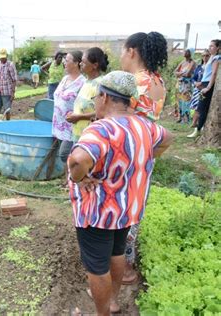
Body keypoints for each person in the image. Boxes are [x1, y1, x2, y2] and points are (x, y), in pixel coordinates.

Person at [67, 71, 173, 316]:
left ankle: (102, 313)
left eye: (96, 98)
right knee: (116, 253)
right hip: (127, 209)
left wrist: (79, 178)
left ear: (104, 97)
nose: (95, 102)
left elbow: (78, 160)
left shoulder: (101, 129)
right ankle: (113, 301)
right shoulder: (145, 126)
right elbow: (168, 137)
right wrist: (145, 158)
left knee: (96, 266)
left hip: (98, 212)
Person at [119, 31, 167, 284]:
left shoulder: (134, 82)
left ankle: (120, 268)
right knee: (135, 208)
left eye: (122, 51)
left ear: (132, 52)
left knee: (119, 209)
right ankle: (127, 265)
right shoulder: (158, 81)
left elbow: (119, 120)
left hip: (126, 154)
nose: (120, 57)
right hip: (146, 154)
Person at [52, 51, 85, 183]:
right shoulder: (65, 79)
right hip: (59, 124)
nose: (64, 62)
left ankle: (75, 180)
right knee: (66, 156)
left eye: (68, 60)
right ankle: (68, 181)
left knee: (66, 153)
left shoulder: (82, 82)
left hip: (72, 125)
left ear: (77, 63)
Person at [66, 47, 109, 142]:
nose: (80, 64)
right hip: (78, 133)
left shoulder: (101, 84)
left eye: (84, 62)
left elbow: (104, 112)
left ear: (95, 65)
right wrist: (74, 114)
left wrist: (79, 117)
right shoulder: (87, 82)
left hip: (90, 137)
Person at [187, 39, 220, 138]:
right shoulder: (212, 57)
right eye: (209, 46)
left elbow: (214, 74)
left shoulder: (217, 58)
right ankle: (199, 128)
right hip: (204, 83)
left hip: (208, 85)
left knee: (202, 108)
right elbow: (208, 73)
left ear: (218, 48)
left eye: (212, 46)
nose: (210, 48)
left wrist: (208, 87)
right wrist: (201, 82)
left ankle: (198, 130)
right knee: (201, 107)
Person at [0, 48, 18, 120]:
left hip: (7, 92)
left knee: (7, 110)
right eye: (1, 57)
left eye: (3, 57)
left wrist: (13, 93)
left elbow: (14, 80)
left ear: (6, 56)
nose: (2, 59)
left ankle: (7, 124)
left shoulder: (10, 65)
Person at [189, 50, 210, 128]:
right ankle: (195, 123)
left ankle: (199, 123)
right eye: (203, 55)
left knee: (201, 106)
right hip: (196, 89)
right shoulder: (199, 67)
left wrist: (202, 83)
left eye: (207, 55)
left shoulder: (210, 67)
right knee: (195, 106)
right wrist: (195, 83)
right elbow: (193, 78)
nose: (205, 57)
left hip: (205, 89)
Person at [174, 49, 196, 123]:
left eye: (187, 51)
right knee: (180, 101)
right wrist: (182, 73)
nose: (184, 52)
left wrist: (179, 73)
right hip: (180, 84)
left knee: (186, 100)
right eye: (184, 51)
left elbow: (188, 73)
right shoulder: (182, 62)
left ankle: (187, 119)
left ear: (190, 53)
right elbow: (175, 72)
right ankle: (180, 118)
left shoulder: (192, 62)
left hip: (187, 84)